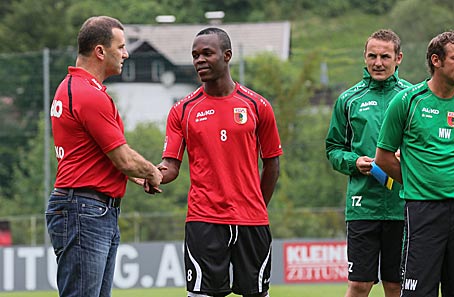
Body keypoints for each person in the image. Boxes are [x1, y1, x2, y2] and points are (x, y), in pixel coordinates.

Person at [156, 27, 282, 297]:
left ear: (227, 56)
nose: (199, 60)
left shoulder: (258, 106)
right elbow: (171, 166)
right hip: (204, 220)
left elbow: (272, 164)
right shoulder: (183, 111)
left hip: (252, 221)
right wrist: (151, 174)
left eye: (206, 53)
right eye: (194, 55)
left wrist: (257, 205)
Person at [46, 16, 163, 297]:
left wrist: (132, 174)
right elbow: (122, 158)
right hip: (85, 210)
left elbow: (96, 155)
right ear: (100, 51)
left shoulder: (72, 87)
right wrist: (151, 172)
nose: (125, 53)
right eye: (120, 46)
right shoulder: (88, 95)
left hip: (88, 208)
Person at [375, 30, 454, 297]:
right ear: (436, 60)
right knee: (417, 292)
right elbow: (383, 158)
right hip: (423, 210)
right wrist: (420, 181)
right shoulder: (406, 102)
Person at [325, 29, 411, 297]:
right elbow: (333, 149)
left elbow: (425, 149)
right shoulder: (349, 100)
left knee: (396, 285)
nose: (378, 62)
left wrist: (405, 158)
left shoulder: (413, 97)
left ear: (398, 58)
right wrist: (354, 161)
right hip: (363, 206)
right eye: (372, 55)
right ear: (364, 57)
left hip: (403, 204)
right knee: (360, 284)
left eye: (385, 56)